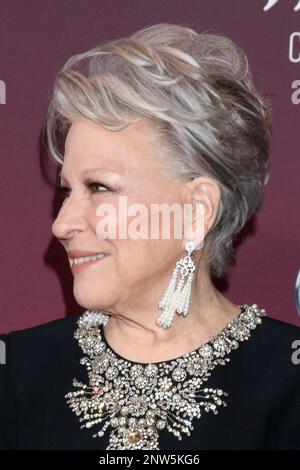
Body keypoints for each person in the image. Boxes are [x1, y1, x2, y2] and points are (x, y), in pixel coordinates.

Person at [0, 22, 299, 450]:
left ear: (196, 210)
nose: (62, 225)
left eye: (99, 188)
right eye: (67, 191)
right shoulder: (16, 374)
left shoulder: (288, 385)